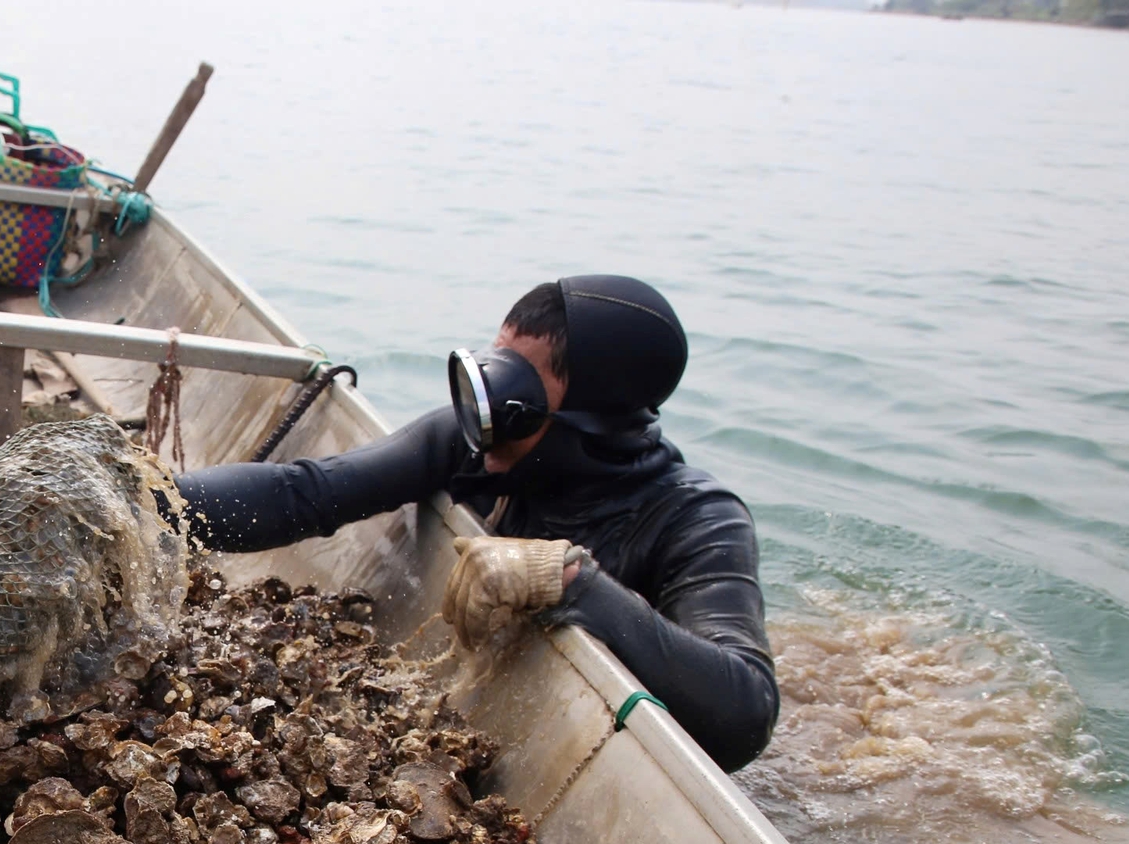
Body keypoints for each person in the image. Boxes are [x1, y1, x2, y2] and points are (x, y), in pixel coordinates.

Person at [173, 275, 778, 772]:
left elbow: (745, 715)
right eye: (490, 377)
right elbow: (307, 492)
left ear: (594, 422)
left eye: (512, 402)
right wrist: (141, 503)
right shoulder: (478, 442)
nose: (481, 424)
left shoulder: (697, 519)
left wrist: (575, 584)